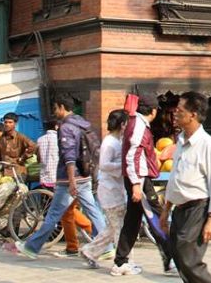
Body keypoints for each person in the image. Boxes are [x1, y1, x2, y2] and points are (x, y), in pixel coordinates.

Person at [12, 96, 107, 259]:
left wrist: (71, 180)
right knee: (93, 211)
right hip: (84, 175)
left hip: (68, 178)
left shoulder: (66, 127)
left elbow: (69, 156)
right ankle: (106, 246)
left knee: (53, 215)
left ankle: (31, 247)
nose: (54, 112)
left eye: (55, 108)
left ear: (62, 107)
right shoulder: (82, 124)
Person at [160, 92, 211, 283]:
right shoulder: (180, 141)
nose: (175, 113)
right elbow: (174, 178)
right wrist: (166, 209)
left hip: (198, 208)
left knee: (188, 258)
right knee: (178, 254)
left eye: (180, 110)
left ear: (193, 114)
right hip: (180, 208)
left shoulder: (209, 145)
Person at [114, 93, 175, 277]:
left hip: (138, 178)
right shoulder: (138, 126)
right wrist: (135, 185)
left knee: (133, 221)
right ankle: (171, 258)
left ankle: (121, 261)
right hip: (139, 179)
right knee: (155, 216)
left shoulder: (135, 123)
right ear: (154, 111)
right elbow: (132, 156)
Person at [36, 119, 91, 259]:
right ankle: (74, 246)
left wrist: (71, 180)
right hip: (65, 179)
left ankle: (99, 239)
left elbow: (67, 159)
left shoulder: (42, 139)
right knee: (68, 212)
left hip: (60, 180)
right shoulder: (62, 138)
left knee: (63, 213)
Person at [81, 109, 129, 270]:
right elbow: (104, 164)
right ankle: (122, 262)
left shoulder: (118, 140)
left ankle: (90, 251)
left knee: (113, 227)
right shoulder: (110, 142)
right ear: (122, 124)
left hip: (116, 188)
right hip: (109, 190)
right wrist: (123, 166)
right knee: (119, 228)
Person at [0, 112, 36, 177]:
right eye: (5, 122)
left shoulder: (20, 137)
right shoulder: (2, 138)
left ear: (15, 124)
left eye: (10, 122)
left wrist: (22, 158)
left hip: (18, 172)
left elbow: (33, 146)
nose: (7, 124)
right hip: (5, 172)